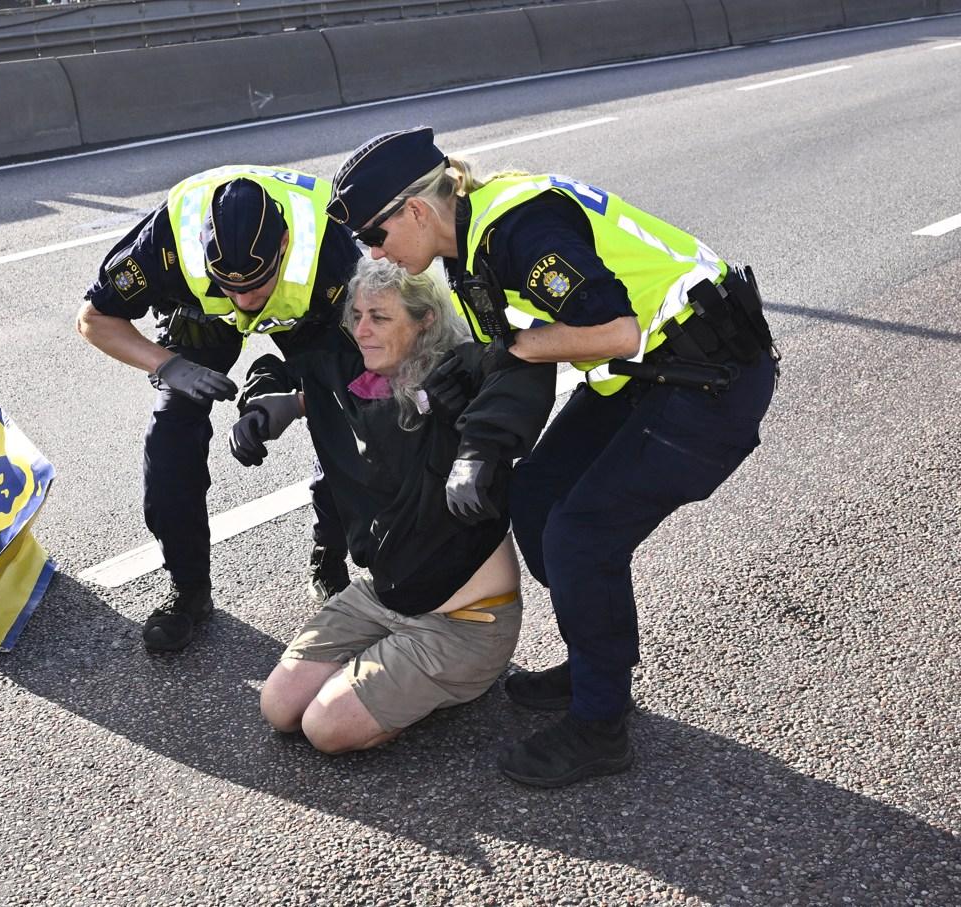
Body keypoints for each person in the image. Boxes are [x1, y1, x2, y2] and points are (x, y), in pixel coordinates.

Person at [326, 127, 778, 786]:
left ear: (416, 211)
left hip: (710, 378)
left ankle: (601, 725)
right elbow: (510, 357)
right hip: (648, 372)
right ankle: (595, 658)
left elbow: (612, 329)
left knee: (580, 535)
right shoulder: (466, 245)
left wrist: (518, 350)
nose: (376, 253)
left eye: (376, 235)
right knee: (536, 498)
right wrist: (472, 416)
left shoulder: (518, 230)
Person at [233, 257, 555, 752]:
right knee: (278, 707)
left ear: (424, 320)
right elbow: (298, 362)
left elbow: (517, 371)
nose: (361, 330)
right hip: (384, 594)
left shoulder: (460, 375)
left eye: (379, 317)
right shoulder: (364, 376)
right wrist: (269, 400)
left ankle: (439, 684)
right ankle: (381, 675)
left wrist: (477, 446)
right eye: (356, 315)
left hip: (464, 623)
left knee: (325, 729)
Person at [76, 166, 362, 653]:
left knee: (341, 421)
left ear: (286, 243)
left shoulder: (335, 249)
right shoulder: (165, 241)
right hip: (201, 313)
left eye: (256, 284)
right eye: (231, 284)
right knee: (168, 439)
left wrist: (295, 402)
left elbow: (376, 372)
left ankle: (329, 557)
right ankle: (188, 592)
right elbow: (93, 318)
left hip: (310, 310)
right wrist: (168, 366)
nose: (246, 301)